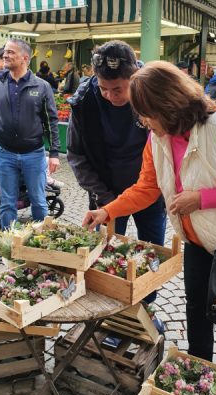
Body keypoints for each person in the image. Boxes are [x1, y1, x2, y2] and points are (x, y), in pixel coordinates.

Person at [83, 61, 216, 395]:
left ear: (168, 105)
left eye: (146, 113)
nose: (143, 121)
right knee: (197, 307)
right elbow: (147, 187)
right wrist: (106, 211)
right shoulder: (158, 137)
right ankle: (200, 372)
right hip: (199, 239)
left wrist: (201, 198)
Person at [67, 41, 167, 308]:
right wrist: (104, 196)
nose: (110, 96)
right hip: (106, 192)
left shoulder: (152, 93)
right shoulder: (85, 101)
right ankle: (111, 310)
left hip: (150, 190)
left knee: (152, 250)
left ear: (133, 78)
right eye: (104, 89)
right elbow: (76, 155)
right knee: (103, 255)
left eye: (118, 90)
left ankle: (147, 306)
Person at [0, 38, 60, 229]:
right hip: (5, 153)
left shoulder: (42, 87)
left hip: (34, 154)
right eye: (5, 52)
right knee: (7, 203)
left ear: (25, 57)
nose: (5, 55)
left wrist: (55, 153)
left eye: (11, 52)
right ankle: (10, 244)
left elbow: (50, 121)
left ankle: (41, 242)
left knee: (39, 201)